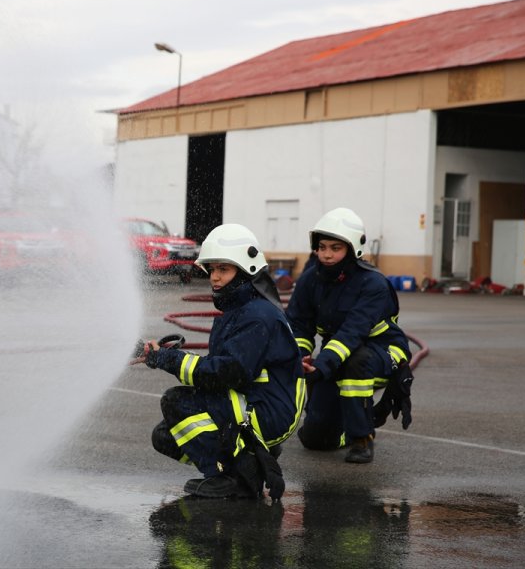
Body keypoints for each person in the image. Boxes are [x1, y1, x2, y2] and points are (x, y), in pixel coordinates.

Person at [139, 224, 306, 500]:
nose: (214, 277)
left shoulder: (257, 316)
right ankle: (250, 458)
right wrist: (158, 355)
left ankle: (235, 477)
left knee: (175, 401)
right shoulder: (239, 310)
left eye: (223, 269)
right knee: (165, 436)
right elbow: (220, 367)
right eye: (212, 269)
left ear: (245, 271)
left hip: (268, 409)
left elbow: (228, 373)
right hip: (253, 399)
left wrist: (167, 359)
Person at [285, 208, 414, 464]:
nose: (327, 254)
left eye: (336, 248)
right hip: (337, 354)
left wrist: (321, 367)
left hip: (382, 352)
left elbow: (353, 332)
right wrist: (301, 357)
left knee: (356, 362)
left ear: (353, 249)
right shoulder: (310, 280)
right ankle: (342, 429)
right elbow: (298, 324)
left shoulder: (373, 284)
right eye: (322, 247)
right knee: (315, 440)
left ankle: (362, 438)